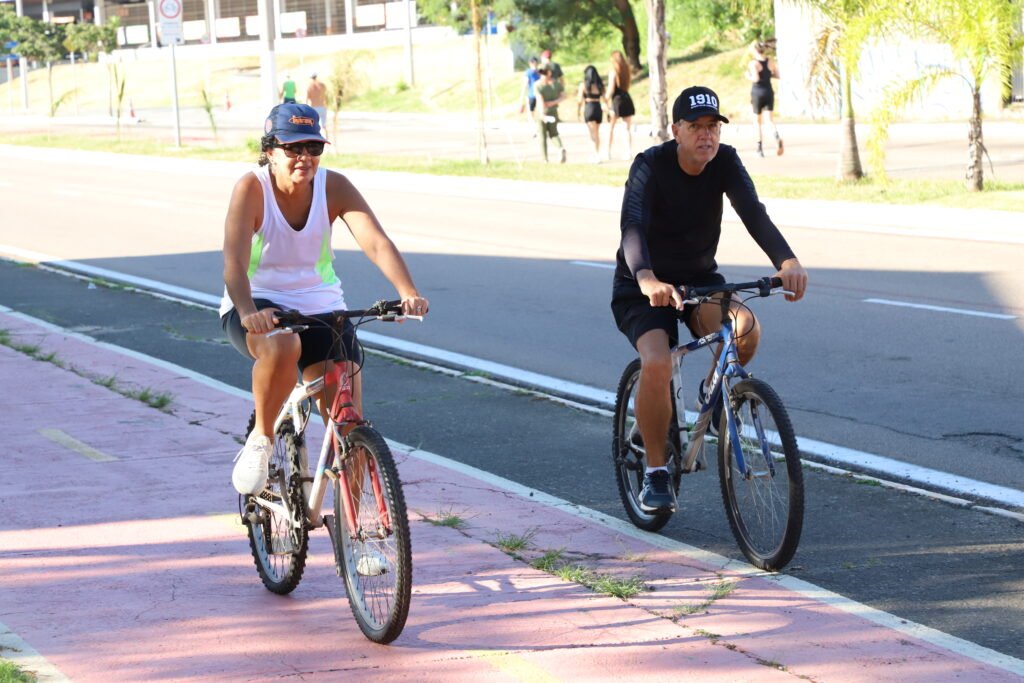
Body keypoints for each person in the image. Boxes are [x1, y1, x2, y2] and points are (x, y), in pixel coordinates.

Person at [610, 86, 807, 513]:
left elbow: (753, 213)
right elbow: (633, 226)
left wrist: (786, 260)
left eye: (713, 127)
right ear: (676, 130)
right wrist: (646, 277)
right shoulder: (649, 165)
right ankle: (657, 473)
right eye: (696, 127)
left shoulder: (726, 163)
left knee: (745, 329)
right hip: (645, 286)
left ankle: (714, 396)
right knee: (658, 362)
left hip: (698, 281)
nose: (706, 136)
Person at [223, 103, 429, 495]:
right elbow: (233, 264)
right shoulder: (252, 188)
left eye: (314, 149)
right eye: (293, 148)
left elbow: (375, 241)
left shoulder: (334, 186)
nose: (305, 158)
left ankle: (362, 537)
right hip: (259, 304)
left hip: (324, 308)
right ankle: (261, 441)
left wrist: (408, 293)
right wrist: (249, 311)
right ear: (269, 150)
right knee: (283, 345)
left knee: (349, 424)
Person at [745, 40, 783, 157]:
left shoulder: (753, 64)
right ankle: (776, 136)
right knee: (770, 120)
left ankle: (759, 148)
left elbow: (756, 79)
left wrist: (748, 76)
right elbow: (777, 75)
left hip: (757, 93)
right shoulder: (770, 61)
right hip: (769, 92)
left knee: (757, 121)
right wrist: (767, 74)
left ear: (755, 50)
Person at [605, 51, 635, 161]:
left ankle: (608, 152)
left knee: (611, 128)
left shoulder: (613, 71)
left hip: (616, 100)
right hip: (626, 98)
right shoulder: (626, 70)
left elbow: (611, 89)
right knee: (627, 128)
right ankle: (629, 152)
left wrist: (605, 99)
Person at [535, 67, 566, 163]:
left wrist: (542, 113)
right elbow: (563, 96)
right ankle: (560, 148)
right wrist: (554, 102)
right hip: (553, 111)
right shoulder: (556, 84)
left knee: (542, 135)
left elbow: (540, 100)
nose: (542, 75)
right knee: (553, 133)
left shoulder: (538, 85)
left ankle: (545, 158)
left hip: (543, 112)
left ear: (549, 73)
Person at [577, 65, 606, 164]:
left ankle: (595, 155)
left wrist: (578, 112)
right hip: (598, 107)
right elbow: (605, 98)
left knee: (592, 134)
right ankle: (597, 154)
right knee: (597, 133)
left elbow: (579, 100)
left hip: (589, 107)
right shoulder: (599, 85)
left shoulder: (583, 85)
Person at [519, 57, 541, 126]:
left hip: (532, 95)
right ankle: (538, 127)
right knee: (539, 112)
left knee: (531, 113)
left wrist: (522, 96)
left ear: (530, 63)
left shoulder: (528, 72)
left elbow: (525, 85)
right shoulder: (539, 72)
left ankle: (535, 128)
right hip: (539, 95)